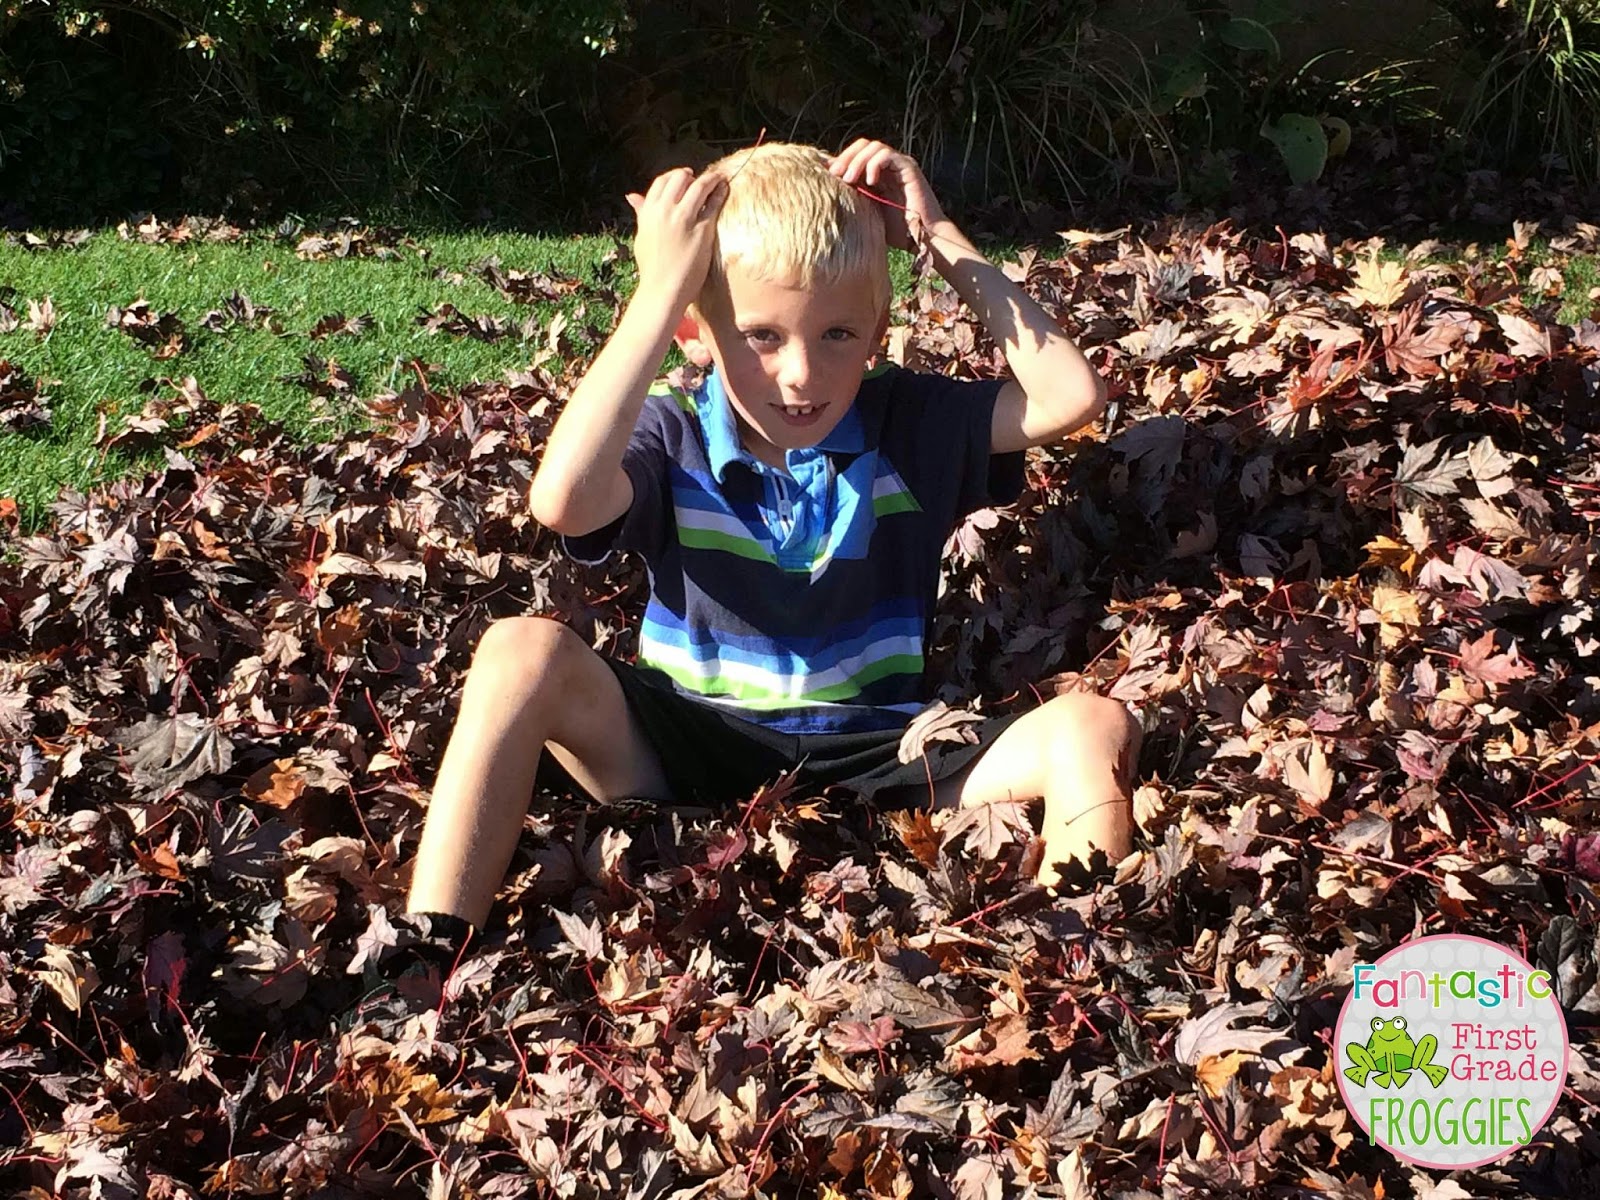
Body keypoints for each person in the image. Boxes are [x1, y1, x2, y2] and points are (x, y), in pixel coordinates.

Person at [396, 138, 1142, 971]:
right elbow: (562, 500)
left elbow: (1070, 396)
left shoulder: (911, 423)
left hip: (877, 750)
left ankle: (1070, 968)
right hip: (687, 739)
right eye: (759, 334)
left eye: (837, 333)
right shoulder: (673, 433)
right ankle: (430, 949)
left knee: (1094, 725)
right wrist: (660, 292)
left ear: (878, 329)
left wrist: (937, 236)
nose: (801, 374)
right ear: (696, 330)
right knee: (518, 650)